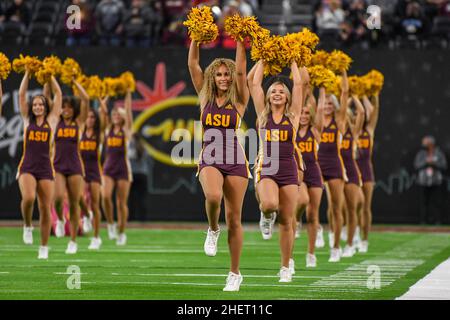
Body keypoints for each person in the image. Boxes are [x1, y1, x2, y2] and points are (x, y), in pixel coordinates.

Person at [188, 36, 250, 291]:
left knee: (235, 220)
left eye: (227, 74)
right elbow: (193, 64)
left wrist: (240, 39)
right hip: (210, 157)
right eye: (219, 74)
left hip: (236, 160)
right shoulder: (205, 96)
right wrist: (195, 35)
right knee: (213, 196)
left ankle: (234, 274)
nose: (224, 78)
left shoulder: (239, 100)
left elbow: (242, 71)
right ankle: (213, 229)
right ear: (213, 77)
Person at [249, 59, 309, 282]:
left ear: (287, 97)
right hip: (267, 166)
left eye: (281, 91)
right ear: (267, 96)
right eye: (273, 90)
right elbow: (254, 85)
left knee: (287, 220)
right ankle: (265, 216)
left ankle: (285, 267)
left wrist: (293, 59)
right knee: (270, 204)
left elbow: (300, 85)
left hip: (288, 168)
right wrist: (264, 57)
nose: (276, 93)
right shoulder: (262, 115)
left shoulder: (292, 117)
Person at [17, 71, 62, 259]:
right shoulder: (27, 121)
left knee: (45, 207)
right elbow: (21, 94)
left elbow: (58, 94)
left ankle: (43, 247)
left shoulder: (52, 122)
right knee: (28, 199)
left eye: (40, 104)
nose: (37, 107)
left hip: (45, 168)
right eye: (34, 104)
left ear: (45, 106)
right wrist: (28, 72)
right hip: (27, 166)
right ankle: (27, 225)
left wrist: (49, 74)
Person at [52, 81, 89, 255]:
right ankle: (59, 219)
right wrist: (50, 77)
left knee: (74, 204)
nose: (65, 109)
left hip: (75, 166)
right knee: (58, 199)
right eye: (63, 107)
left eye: (69, 107)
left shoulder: (79, 123)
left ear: (73, 109)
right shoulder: (55, 123)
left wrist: (74, 82)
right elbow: (48, 95)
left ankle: (73, 241)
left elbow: (86, 99)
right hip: (58, 166)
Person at [317, 70, 349, 263]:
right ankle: (319, 229)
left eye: (331, 103)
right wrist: (318, 80)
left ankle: (336, 246)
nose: (327, 106)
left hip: (335, 165)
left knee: (336, 207)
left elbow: (345, 94)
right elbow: (312, 101)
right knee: (311, 204)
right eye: (325, 103)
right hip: (317, 164)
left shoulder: (340, 122)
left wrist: (343, 71)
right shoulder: (317, 121)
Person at [295, 88, 326, 268]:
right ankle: (297, 219)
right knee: (303, 200)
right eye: (301, 112)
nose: (304, 116)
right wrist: (304, 88)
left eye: (307, 113)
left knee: (313, 215)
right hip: (299, 172)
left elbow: (320, 108)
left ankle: (311, 253)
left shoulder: (315, 131)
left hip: (314, 172)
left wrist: (321, 87)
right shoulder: (291, 129)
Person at [101, 91, 133, 245]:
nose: (116, 116)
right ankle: (110, 223)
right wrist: (109, 93)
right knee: (106, 196)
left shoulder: (126, 131)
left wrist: (127, 93)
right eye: (114, 114)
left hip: (123, 169)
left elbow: (128, 111)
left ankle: (121, 232)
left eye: (119, 115)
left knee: (121, 203)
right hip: (108, 168)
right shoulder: (107, 130)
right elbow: (103, 111)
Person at [79, 98, 107, 250]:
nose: (90, 119)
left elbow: (104, 117)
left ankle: (96, 237)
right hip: (82, 171)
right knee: (79, 198)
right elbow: (83, 109)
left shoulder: (99, 134)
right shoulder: (81, 131)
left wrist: (102, 104)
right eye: (88, 117)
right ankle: (87, 215)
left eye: (92, 117)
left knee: (96, 203)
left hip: (95, 171)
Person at [339, 95, 365, 257]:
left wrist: (354, 95)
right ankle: (339, 231)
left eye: (348, 115)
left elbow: (361, 112)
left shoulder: (353, 133)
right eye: (344, 115)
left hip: (352, 172)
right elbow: (340, 111)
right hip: (338, 171)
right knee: (337, 207)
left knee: (352, 208)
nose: (346, 117)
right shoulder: (335, 131)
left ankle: (349, 243)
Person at [356, 94, 378, 252]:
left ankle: (365, 238)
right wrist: (353, 96)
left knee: (366, 206)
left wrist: (371, 94)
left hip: (366, 170)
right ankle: (355, 232)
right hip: (353, 171)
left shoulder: (369, 130)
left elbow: (374, 110)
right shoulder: (353, 130)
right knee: (355, 205)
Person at [414, 135, 447, 225]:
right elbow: (416, 165)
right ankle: (423, 221)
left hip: (436, 181)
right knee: (424, 202)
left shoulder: (439, 153)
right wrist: (426, 162)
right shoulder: (421, 154)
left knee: (437, 202)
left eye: (426, 143)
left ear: (431, 143)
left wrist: (434, 164)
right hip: (423, 181)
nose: (424, 145)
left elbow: (444, 166)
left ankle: (437, 221)